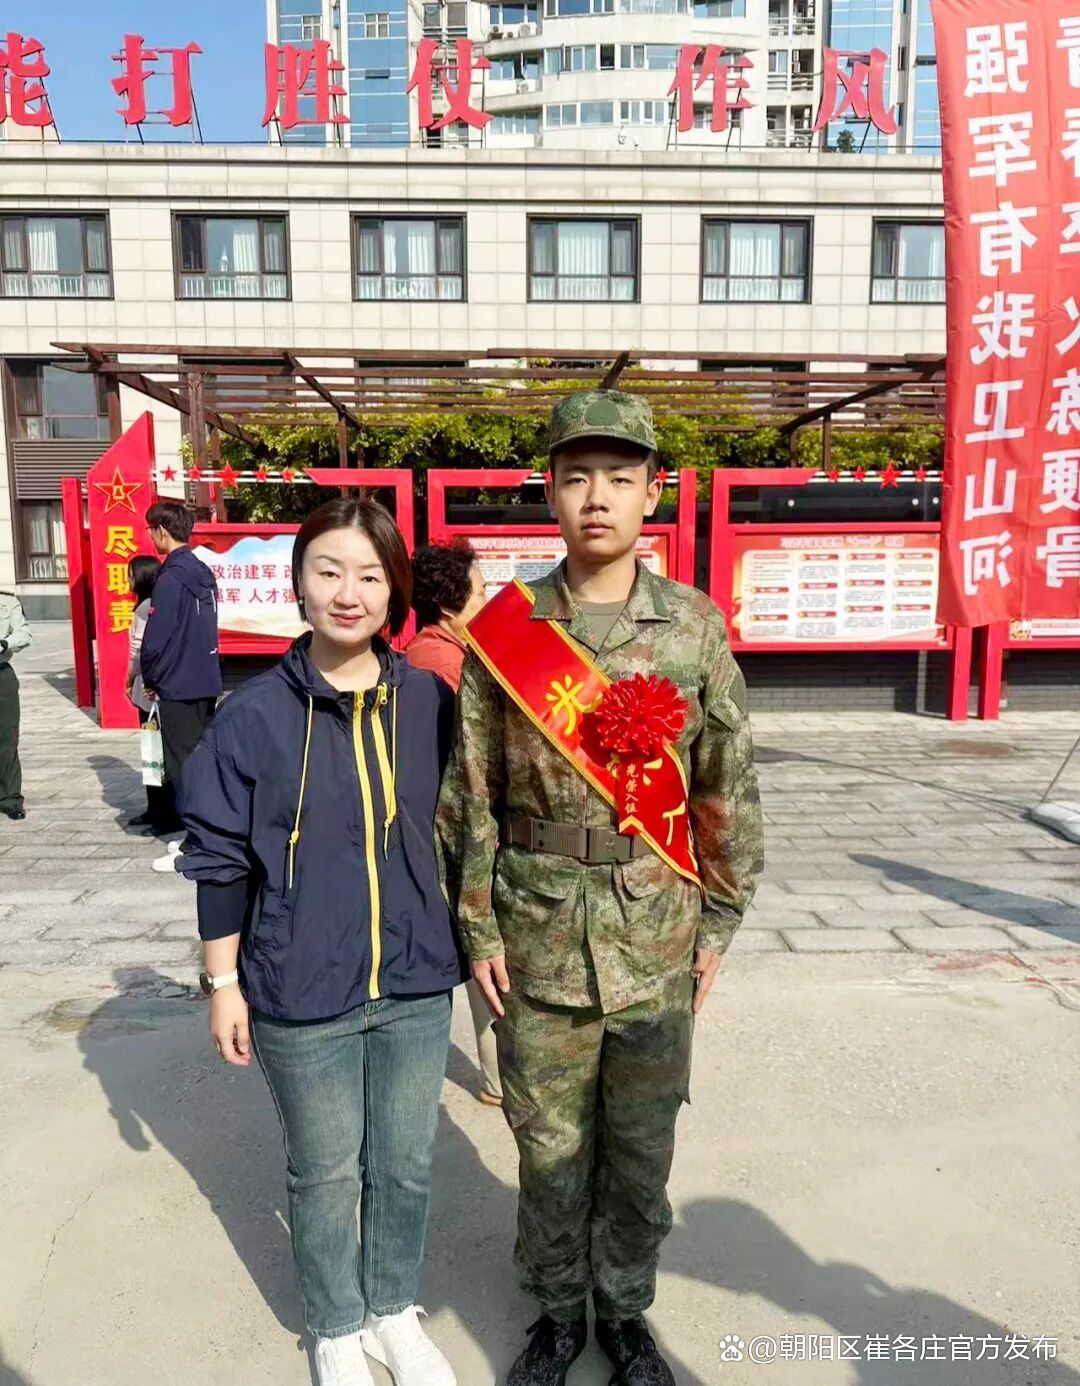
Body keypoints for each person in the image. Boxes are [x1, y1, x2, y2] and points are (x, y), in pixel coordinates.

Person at [437, 390, 765, 1386]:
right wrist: (478, 931)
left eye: (619, 478)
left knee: (640, 1147)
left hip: (657, 935)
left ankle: (624, 1311)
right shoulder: (507, 630)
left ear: (651, 493)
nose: (597, 497)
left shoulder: (693, 627)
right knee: (547, 1147)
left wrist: (719, 923)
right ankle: (554, 1312)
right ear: (549, 489)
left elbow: (724, 785)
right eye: (576, 477)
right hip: (537, 932)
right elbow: (471, 793)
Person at [179, 498, 466, 1386]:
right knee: (327, 1172)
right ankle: (336, 1325)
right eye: (329, 571)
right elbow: (220, 858)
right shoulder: (253, 715)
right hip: (300, 988)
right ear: (298, 583)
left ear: (395, 591)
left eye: (370, 575)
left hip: (415, 980)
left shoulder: (430, 702)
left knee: (405, 1165)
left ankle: (392, 1310)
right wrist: (223, 983)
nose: (349, 593)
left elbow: (471, 827)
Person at [405, 542, 501, 1106]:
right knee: (486, 950)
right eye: (481, 591)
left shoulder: (443, 651)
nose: (488, 600)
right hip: (458, 830)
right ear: (449, 605)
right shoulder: (442, 664)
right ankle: (500, 1079)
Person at [140, 501, 223, 841]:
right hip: (205, 680)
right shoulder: (202, 572)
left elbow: (157, 638)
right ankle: (206, 831)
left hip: (177, 684)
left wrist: (151, 677)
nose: (150, 535)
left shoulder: (171, 577)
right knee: (201, 759)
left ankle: (198, 838)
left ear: (162, 530)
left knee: (182, 764)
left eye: (150, 529)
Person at [124, 555, 169, 832]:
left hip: (148, 690)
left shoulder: (145, 608)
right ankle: (156, 810)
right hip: (159, 688)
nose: (127, 580)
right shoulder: (158, 604)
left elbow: (138, 651)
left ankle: (160, 812)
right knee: (157, 751)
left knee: (154, 752)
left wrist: (129, 679)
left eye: (130, 575)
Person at [0, 589, 31, 821]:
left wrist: (5, 642)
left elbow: (24, 634)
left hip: (1, 675)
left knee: (7, 739)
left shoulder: (8, 602)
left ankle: (10, 798)